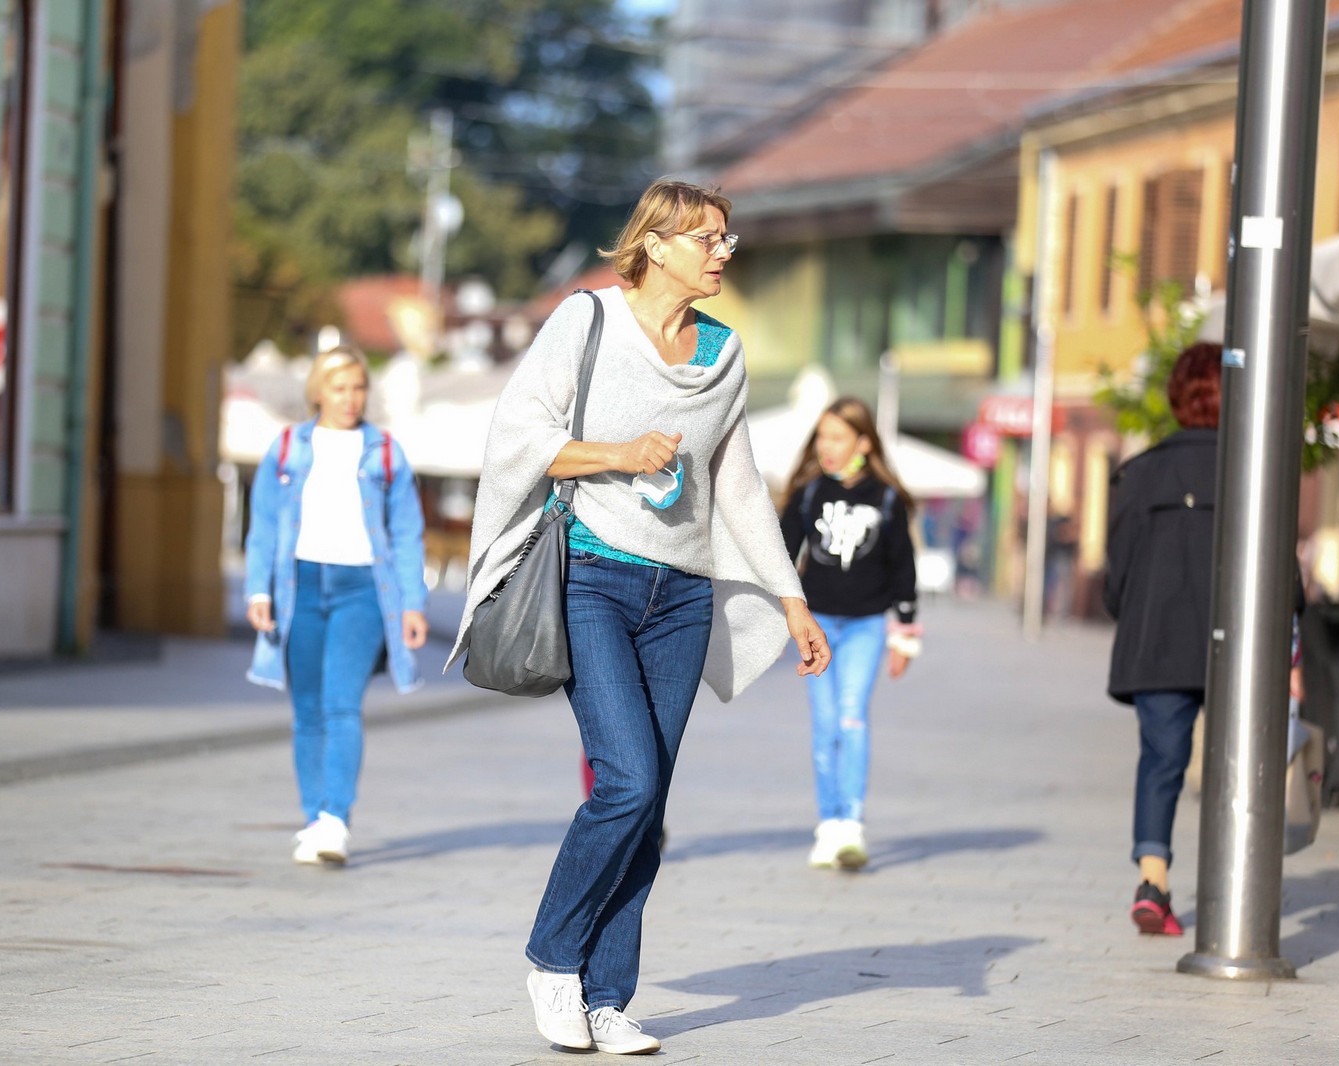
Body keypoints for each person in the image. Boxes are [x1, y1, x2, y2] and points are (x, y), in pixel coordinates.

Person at [449, 179, 831, 1056]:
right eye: (709, 239)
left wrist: (792, 599)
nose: (724, 253)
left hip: (683, 597)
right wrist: (619, 455)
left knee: (648, 803)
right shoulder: (585, 322)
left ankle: (608, 997)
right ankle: (554, 958)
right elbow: (518, 438)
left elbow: (734, 484)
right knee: (623, 781)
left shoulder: (724, 353)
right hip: (591, 578)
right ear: (656, 245)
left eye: (729, 239)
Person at [244, 346, 429, 867]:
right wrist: (258, 592)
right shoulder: (287, 449)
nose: (350, 399)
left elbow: (408, 533)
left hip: (362, 590)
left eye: (358, 388)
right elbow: (261, 527)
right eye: (339, 388)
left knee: (341, 705)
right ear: (318, 391)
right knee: (306, 711)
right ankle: (314, 817)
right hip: (298, 586)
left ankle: (335, 820)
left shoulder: (384, 452)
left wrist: (412, 604)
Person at [1103, 340, 1221, 935]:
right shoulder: (1255, 467)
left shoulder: (1141, 471)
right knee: (1237, 766)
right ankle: (1234, 888)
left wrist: (1132, 612)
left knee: (1162, 761)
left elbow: (1115, 574)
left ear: (1177, 397)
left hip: (1156, 641)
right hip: (1236, 646)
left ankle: (1154, 880)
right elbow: (1289, 581)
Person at [779, 397, 919, 872]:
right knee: (825, 726)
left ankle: (852, 826)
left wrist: (905, 639)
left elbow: (904, 569)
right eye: (822, 437)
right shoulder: (808, 492)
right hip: (817, 624)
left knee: (852, 717)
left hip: (865, 626)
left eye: (838, 437)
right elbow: (780, 556)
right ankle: (828, 826)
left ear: (863, 442)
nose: (827, 447)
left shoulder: (885, 498)